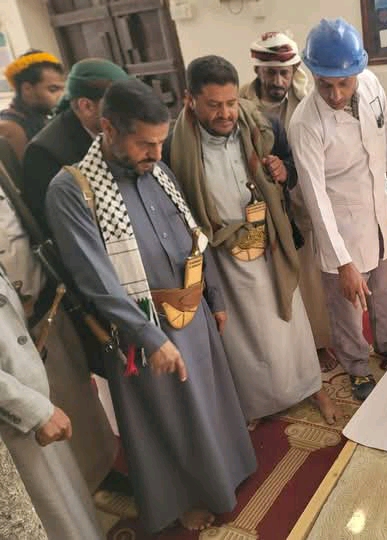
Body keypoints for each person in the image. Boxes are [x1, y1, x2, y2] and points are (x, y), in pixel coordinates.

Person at [46, 79, 256, 532]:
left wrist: (214, 296)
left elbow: (192, 235)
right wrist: (150, 337)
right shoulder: (72, 189)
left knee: (209, 404)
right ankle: (182, 502)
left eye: (160, 143)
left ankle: (224, 478)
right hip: (141, 331)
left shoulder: (156, 168)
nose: (157, 154)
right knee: (166, 423)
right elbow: (95, 279)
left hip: (192, 312)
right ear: (108, 129)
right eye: (145, 144)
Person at [167, 55, 337, 426]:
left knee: (291, 323)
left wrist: (283, 170)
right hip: (222, 253)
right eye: (214, 105)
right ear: (190, 100)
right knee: (244, 336)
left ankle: (311, 387)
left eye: (231, 102)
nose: (226, 113)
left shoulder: (261, 122)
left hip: (270, 241)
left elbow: (291, 165)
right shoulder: (173, 147)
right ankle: (256, 405)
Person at [289, 18, 387, 401]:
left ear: (358, 70)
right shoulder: (305, 124)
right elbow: (315, 196)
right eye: (325, 85)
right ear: (312, 74)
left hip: (378, 211)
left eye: (344, 83)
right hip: (340, 226)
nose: (335, 94)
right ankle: (356, 367)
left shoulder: (371, 84)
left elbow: (385, 123)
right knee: (348, 308)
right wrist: (343, 263)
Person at [0, 135, 117, 494]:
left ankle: (103, 475)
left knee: (78, 401)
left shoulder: (3, 149)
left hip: (45, 302)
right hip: (6, 337)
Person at [239, 31, 337, 372]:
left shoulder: (309, 99)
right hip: (259, 210)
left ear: (294, 70)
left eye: (285, 73)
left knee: (309, 280)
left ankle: (320, 344)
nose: (279, 81)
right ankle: (283, 349)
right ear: (257, 71)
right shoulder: (239, 105)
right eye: (271, 73)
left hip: (301, 204)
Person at [0, 265, 103, 539]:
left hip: (26, 396)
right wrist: (34, 411)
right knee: (49, 521)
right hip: (12, 417)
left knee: (70, 508)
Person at [23, 58, 129, 233]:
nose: (130, 113)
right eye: (120, 105)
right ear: (87, 106)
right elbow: (57, 225)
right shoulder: (44, 153)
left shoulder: (122, 130)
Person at [0, 50, 64, 161]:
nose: (61, 96)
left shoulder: (40, 116)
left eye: (63, 89)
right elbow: (30, 170)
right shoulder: (10, 128)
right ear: (27, 89)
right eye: (53, 90)